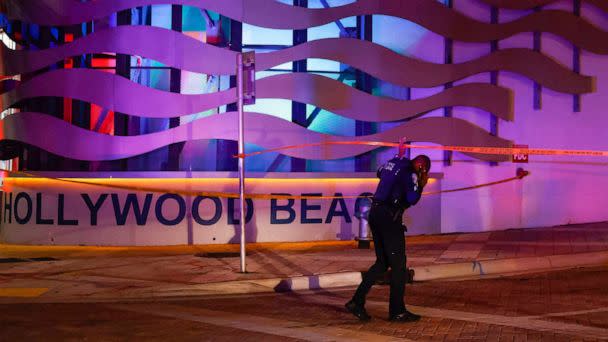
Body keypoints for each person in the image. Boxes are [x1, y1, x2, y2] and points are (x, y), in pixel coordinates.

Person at [345, 154, 430, 322]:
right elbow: (412, 199)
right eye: (424, 170)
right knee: (399, 266)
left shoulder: (393, 162)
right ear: (421, 167)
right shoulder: (411, 173)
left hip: (375, 213)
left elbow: (379, 172)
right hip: (389, 217)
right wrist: (421, 184)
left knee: (382, 263)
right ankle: (397, 311)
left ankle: (356, 301)